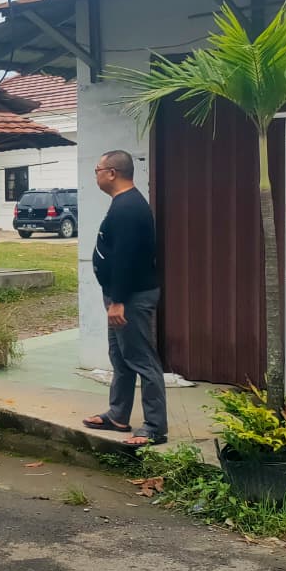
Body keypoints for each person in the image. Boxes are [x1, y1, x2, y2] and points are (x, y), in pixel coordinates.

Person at [83, 150, 167, 447]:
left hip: (131, 298)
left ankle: (155, 427)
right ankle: (118, 414)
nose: (95, 174)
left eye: (97, 169)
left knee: (142, 359)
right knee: (120, 357)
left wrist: (118, 300)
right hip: (119, 296)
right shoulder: (123, 204)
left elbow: (126, 259)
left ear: (112, 173)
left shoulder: (129, 208)